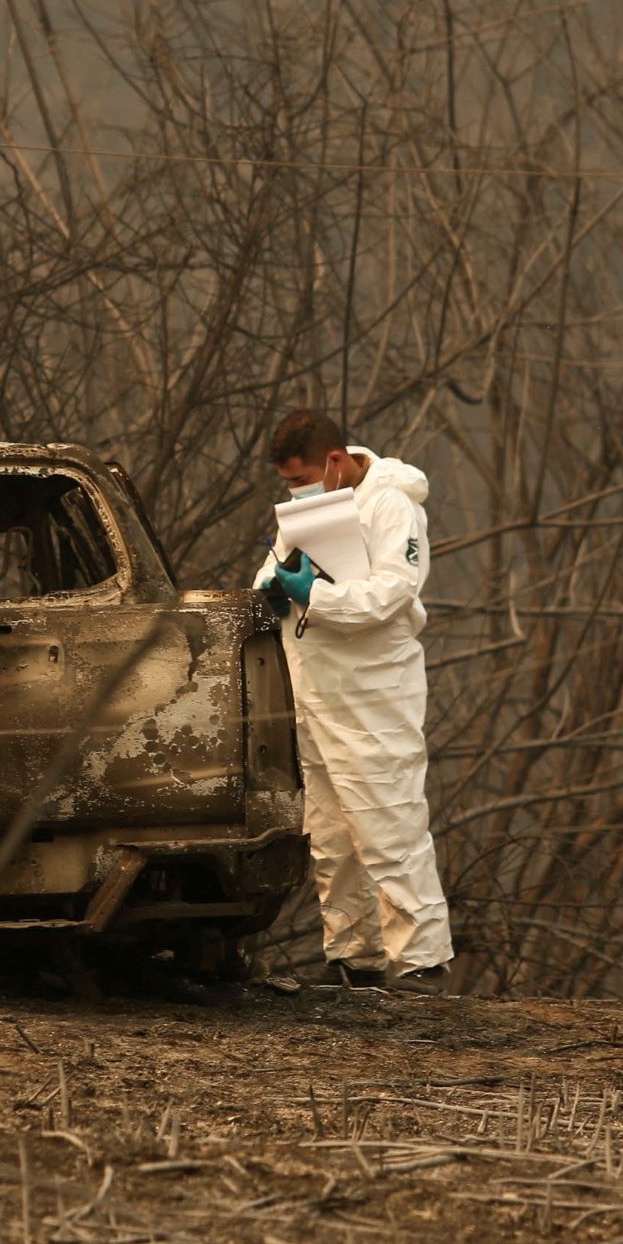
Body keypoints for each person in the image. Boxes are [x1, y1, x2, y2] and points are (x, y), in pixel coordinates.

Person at [255, 409, 454, 993]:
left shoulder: (392, 505)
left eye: (302, 478)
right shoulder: (310, 510)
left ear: (335, 462)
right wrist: (271, 588)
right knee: (330, 834)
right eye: (288, 482)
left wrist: (314, 594)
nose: (295, 492)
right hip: (315, 688)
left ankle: (421, 959)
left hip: (373, 691)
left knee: (387, 824)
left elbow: (390, 595)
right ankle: (353, 953)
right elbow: (274, 569)